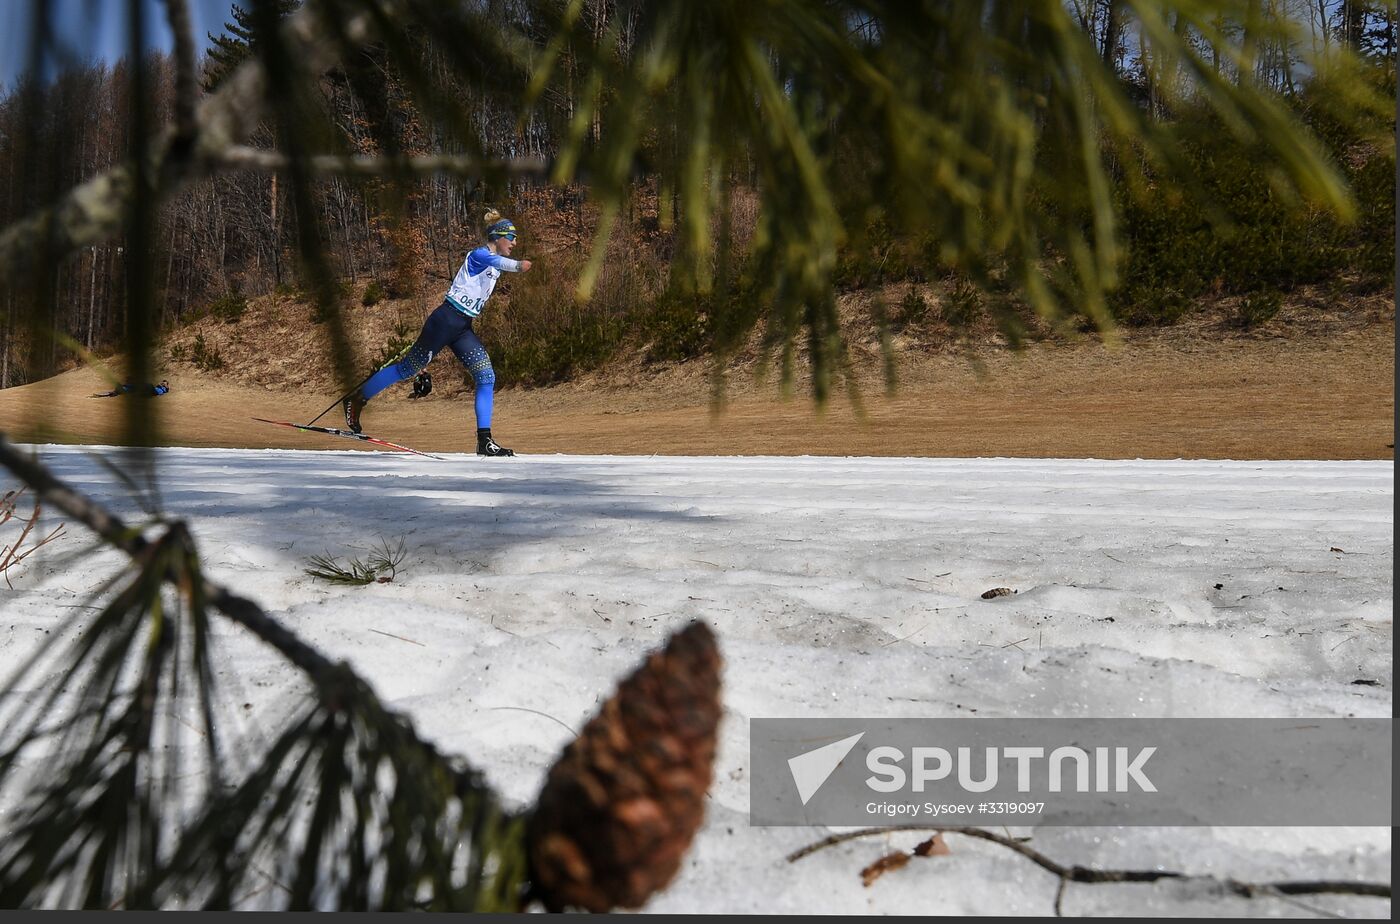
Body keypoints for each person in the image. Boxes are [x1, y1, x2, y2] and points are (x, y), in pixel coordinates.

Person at [344, 209, 531, 456]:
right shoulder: (480, 255)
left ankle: (484, 441)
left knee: (486, 377)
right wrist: (519, 266)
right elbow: (503, 263)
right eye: (512, 237)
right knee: (406, 369)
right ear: (498, 237)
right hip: (445, 320)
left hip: (462, 327)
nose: (515, 242)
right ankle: (357, 399)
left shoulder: (492, 262)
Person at [92, 380, 169, 397]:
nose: (162, 383)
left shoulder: (164, 389)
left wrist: (165, 385)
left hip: (154, 392)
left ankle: (120, 388)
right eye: (162, 382)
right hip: (151, 391)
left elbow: (164, 391)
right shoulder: (158, 386)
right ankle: (118, 390)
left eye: (164, 383)